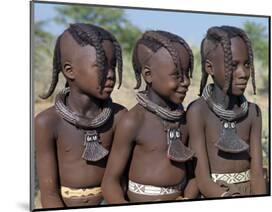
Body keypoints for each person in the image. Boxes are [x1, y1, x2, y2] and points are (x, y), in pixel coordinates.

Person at [35, 23, 127, 208]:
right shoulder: (47, 122)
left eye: (113, 66)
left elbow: (122, 179)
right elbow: (49, 193)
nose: (110, 75)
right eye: (100, 66)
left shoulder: (119, 117)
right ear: (70, 71)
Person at [102, 30, 199, 203]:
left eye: (187, 73)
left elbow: (193, 175)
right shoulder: (133, 121)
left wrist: (188, 198)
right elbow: (111, 181)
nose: (185, 82)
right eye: (177, 75)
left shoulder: (185, 119)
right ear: (148, 75)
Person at [187, 26, 267, 198]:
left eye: (247, 65)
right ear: (210, 68)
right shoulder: (198, 112)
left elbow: (257, 173)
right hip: (215, 194)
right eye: (233, 65)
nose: (243, 73)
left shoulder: (253, 112)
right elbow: (202, 179)